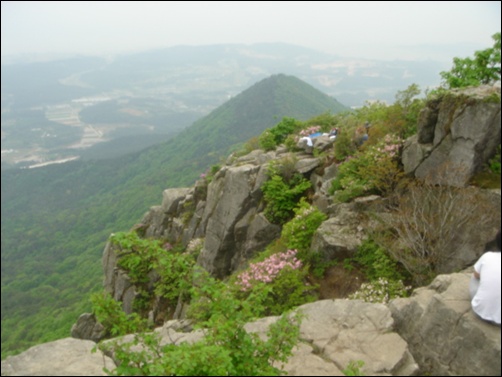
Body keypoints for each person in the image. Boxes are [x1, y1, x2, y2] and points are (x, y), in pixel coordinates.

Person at [469, 229, 501, 325]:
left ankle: (484, 299)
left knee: (475, 275)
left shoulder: (487, 256)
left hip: (480, 311)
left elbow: (476, 275)